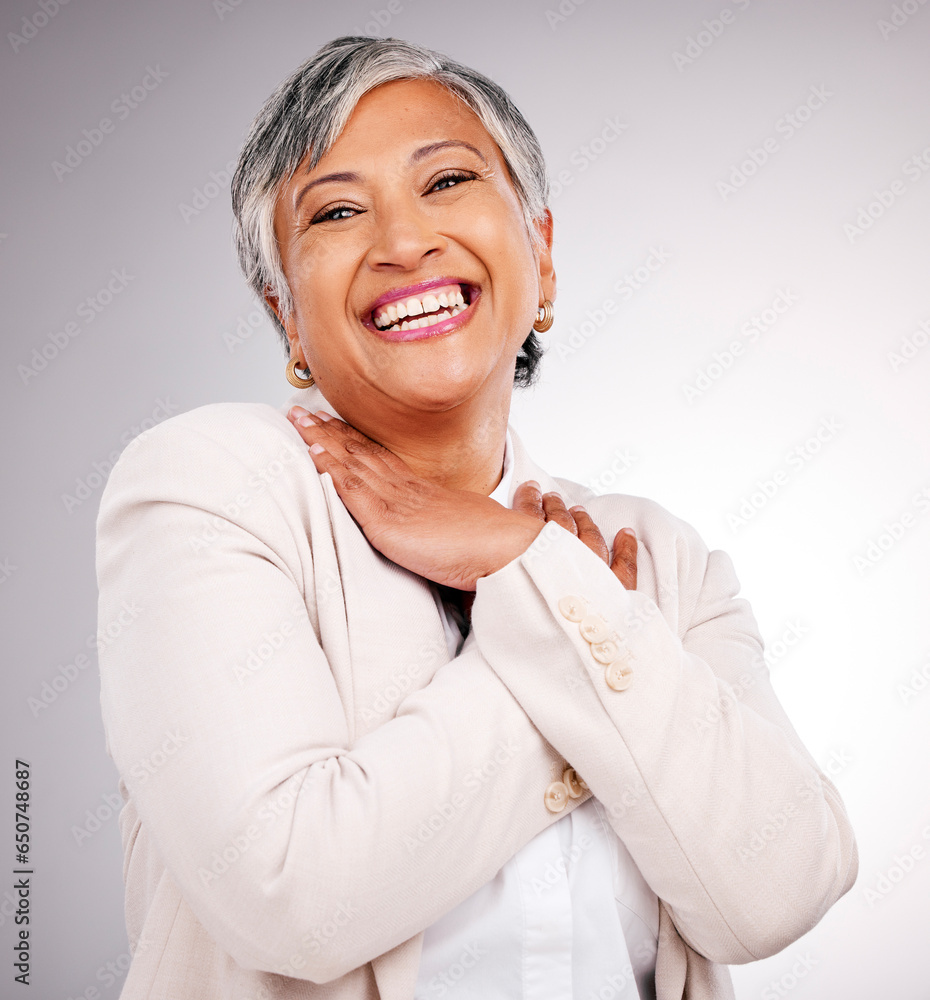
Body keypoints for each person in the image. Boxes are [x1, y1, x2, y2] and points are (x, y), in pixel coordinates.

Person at [95, 35, 858, 1000]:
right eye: (337, 209)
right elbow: (293, 897)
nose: (404, 242)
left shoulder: (658, 557)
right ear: (286, 314)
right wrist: (563, 610)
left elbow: (779, 889)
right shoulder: (213, 485)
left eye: (447, 180)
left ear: (539, 251)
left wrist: (519, 557)